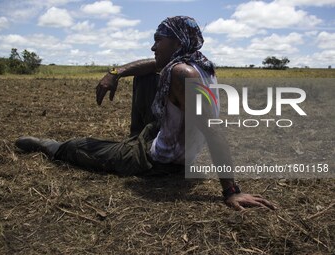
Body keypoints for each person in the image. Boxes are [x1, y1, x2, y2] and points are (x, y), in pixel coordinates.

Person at [15, 16, 275, 211]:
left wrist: (231, 191)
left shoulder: (182, 74)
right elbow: (152, 65)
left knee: (78, 146)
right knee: (147, 76)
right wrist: (114, 73)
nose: (153, 47)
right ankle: (134, 139)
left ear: (177, 41)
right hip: (164, 139)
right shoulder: (197, 63)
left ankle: (51, 146)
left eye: (158, 40)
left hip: (159, 161)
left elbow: (213, 130)